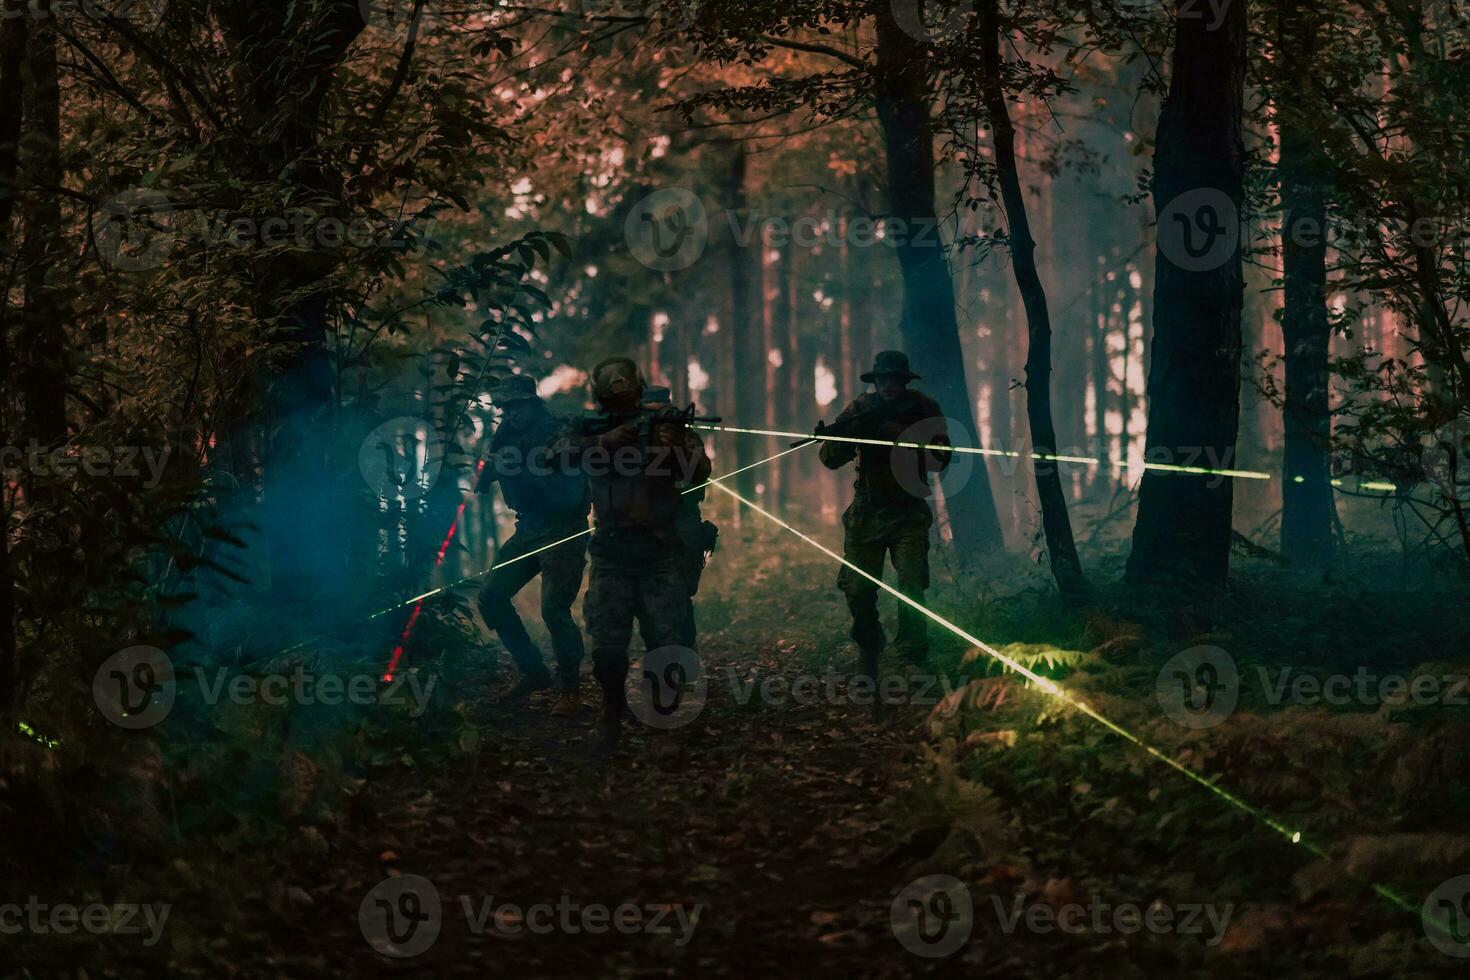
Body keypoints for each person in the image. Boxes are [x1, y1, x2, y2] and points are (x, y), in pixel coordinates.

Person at [549, 359, 711, 748]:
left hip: (659, 550)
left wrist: (671, 446)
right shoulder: (587, 427)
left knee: (667, 644)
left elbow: (700, 473)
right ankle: (612, 712)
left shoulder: (664, 426)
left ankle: (663, 719)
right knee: (606, 649)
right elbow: (552, 458)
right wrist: (606, 441)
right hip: (610, 552)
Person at [818, 351, 951, 691]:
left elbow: (942, 459)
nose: (889, 385)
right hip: (868, 512)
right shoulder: (861, 409)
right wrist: (848, 434)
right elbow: (830, 458)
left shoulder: (923, 408)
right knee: (859, 588)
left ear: (904, 381)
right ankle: (869, 641)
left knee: (911, 582)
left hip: (908, 511)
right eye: (883, 380)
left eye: (895, 379)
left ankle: (911, 654)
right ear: (875, 382)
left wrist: (901, 436)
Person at [474, 374, 591, 717]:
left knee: (554, 609)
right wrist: (490, 469)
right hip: (529, 528)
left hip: (564, 528)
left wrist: (518, 466)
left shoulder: (558, 429)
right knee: (492, 596)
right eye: (505, 408)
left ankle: (570, 689)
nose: (511, 414)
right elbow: (491, 474)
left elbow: (566, 481)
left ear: (531, 401)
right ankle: (533, 671)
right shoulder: (507, 433)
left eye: (517, 406)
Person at [638, 386, 717, 650]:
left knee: (680, 594)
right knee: (645, 596)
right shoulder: (635, 438)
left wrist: (676, 444)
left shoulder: (685, 437)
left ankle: (682, 656)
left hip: (681, 520)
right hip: (646, 525)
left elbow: (701, 471)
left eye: (660, 411)